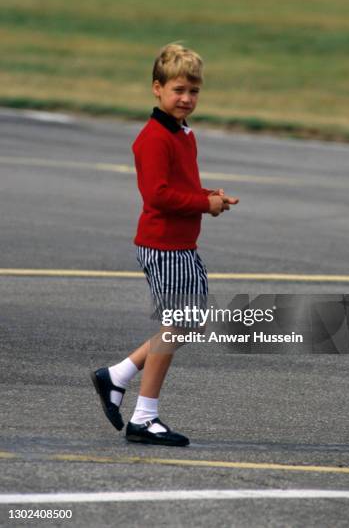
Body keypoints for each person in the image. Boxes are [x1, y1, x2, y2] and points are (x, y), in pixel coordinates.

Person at [91, 43, 238, 446]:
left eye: (193, 92)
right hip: (164, 245)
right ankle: (144, 416)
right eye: (178, 90)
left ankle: (117, 376)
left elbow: (182, 188)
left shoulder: (182, 134)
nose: (187, 99)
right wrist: (202, 205)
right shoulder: (153, 138)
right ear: (157, 89)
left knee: (185, 322)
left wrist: (210, 196)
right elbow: (157, 196)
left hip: (180, 244)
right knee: (177, 326)